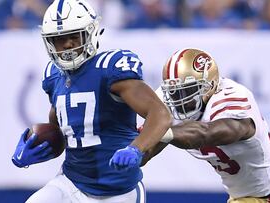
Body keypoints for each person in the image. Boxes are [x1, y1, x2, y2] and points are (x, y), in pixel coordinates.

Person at [11, 0, 172, 202]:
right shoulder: (53, 76)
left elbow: (160, 114)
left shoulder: (110, 68)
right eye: (59, 39)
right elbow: (65, 134)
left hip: (119, 191)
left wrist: (136, 148)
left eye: (73, 36)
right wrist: (37, 147)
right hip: (70, 183)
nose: (67, 44)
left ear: (90, 33)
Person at [142, 48, 270, 203]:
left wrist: (157, 131)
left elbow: (204, 133)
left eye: (187, 91)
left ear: (209, 86)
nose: (179, 99)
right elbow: (145, 151)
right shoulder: (171, 103)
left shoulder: (231, 98)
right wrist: (133, 151)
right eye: (173, 92)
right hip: (242, 198)